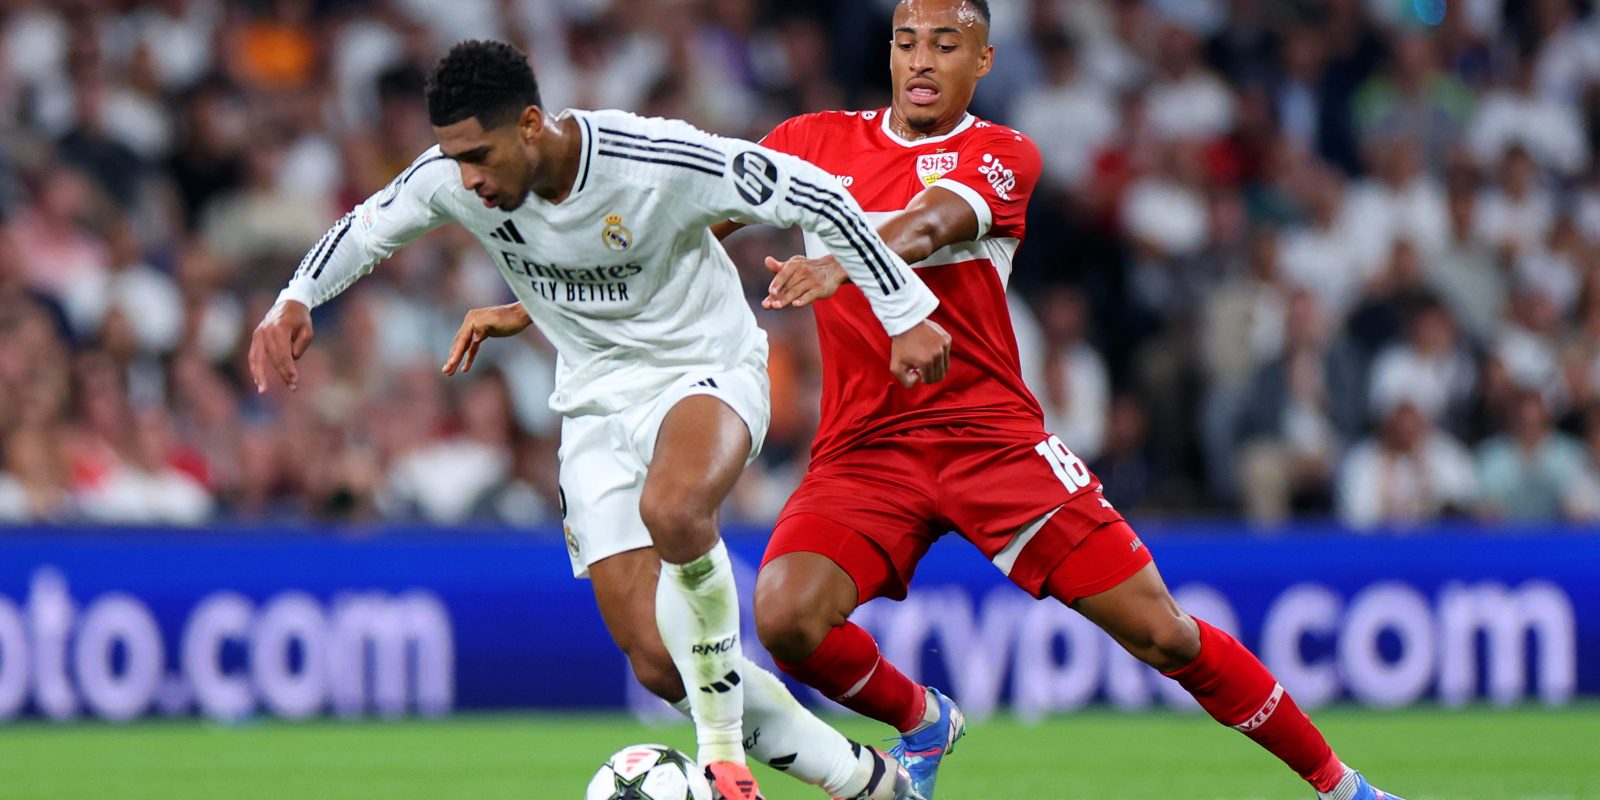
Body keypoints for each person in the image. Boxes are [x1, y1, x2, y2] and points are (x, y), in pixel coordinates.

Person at [729, 2, 1406, 799]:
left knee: (1163, 633)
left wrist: (846, 260)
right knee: (784, 616)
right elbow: (700, 208)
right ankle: (922, 720)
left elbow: (931, 224)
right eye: (906, 43)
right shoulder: (812, 141)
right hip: (865, 449)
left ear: (981, 62)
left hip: (993, 443)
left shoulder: (1001, 153)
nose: (921, 61)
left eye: (945, 45)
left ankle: (1343, 787)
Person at [247, 40, 950, 800]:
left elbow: (813, 191)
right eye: (456, 161)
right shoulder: (455, 178)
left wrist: (903, 309)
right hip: (591, 403)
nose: (470, 179)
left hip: (703, 367)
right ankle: (872, 784)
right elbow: (366, 224)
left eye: (480, 155)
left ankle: (724, 764)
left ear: (529, 125)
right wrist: (294, 300)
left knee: (676, 508)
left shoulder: (655, 160)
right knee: (657, 660)